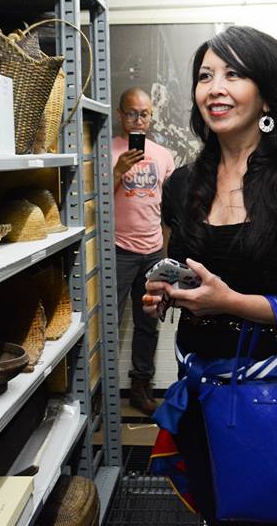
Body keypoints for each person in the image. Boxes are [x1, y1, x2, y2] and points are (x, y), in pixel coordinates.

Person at [142, 26, 277, 526]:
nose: (215, 88)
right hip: (202, 392)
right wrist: (167, 294)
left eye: (233, 74)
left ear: (266, 96)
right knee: (218, 510)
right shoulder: (180, 186)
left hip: (275, 393)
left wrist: (231, 303)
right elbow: (185, 272)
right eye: (205, 76)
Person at [112, 87, 176, 415]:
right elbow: (92, 198)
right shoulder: (107, 150)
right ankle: (101, 390)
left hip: (152, 251)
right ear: (120, 115)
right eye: (131, 113)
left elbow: (169, 210)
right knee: (108, 322)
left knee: (148, 323)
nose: (138, 120)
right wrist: (118, 171)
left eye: (144, 114)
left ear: (151, 116)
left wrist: (166, 252)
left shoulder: (163, 155)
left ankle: (141, 385)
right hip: (117, 250)